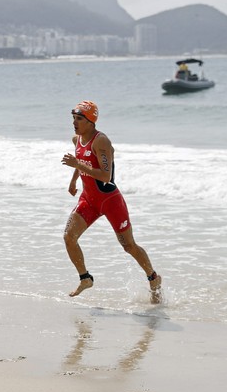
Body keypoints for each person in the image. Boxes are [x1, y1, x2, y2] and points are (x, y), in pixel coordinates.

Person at [60, 100, 162, 304]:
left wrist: (77, 164)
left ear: (91, 121)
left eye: (79, 119)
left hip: (110, 201)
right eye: (73, 118)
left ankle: (153, 277)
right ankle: (85, 278)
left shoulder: (101, 141)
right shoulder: (77, 139)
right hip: (88, 200)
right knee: (69, 237)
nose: (74, 122)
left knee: (129, 246)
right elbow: (81, 161)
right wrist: (73, 181)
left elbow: (105, 176)